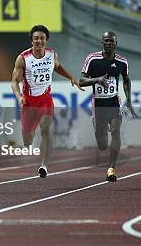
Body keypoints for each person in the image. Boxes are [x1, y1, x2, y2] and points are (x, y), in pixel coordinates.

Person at [11, 25, 83, 178]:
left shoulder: (51, 54)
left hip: (45, 100)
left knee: (45, 128)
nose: (39, 41)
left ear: (46, 40)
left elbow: (57, 67)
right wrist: (19, 97)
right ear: (32, 41)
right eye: (36, 38)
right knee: (27, 140)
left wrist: (71, 77)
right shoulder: (23, 58)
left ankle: (44, 165)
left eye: (42, 38)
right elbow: (14, 81)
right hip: (29, 102)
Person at [80, 31, 137, 181]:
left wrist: (129, 100)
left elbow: (126, 80)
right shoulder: (92, 59)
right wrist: (97, 79)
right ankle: (97, 126)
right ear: (102, 42)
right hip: (98, 105)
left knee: (116, 131)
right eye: (106, 41)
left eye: (112, 41)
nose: (109, 43)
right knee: (102, 145)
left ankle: (111, 168)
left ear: (116, 43)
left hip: (114, 103)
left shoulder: (122, 61)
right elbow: (80, 81)